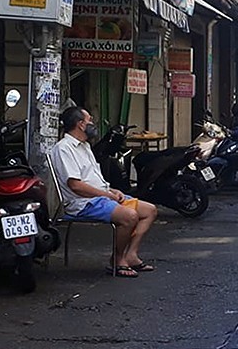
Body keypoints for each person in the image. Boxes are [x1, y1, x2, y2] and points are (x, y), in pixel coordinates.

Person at [52, 107, 159, 278]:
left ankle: (130, 255)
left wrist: (111, 190)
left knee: (149, 210)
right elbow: (76, 186)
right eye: (89, 120)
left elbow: (93, 179)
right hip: (83, 203)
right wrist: (107, 195)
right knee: (129, 216)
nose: (92, 124)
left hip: (101, 197)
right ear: (80, 124)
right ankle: (117, 260)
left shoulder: (85, 146)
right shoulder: (64, 149)